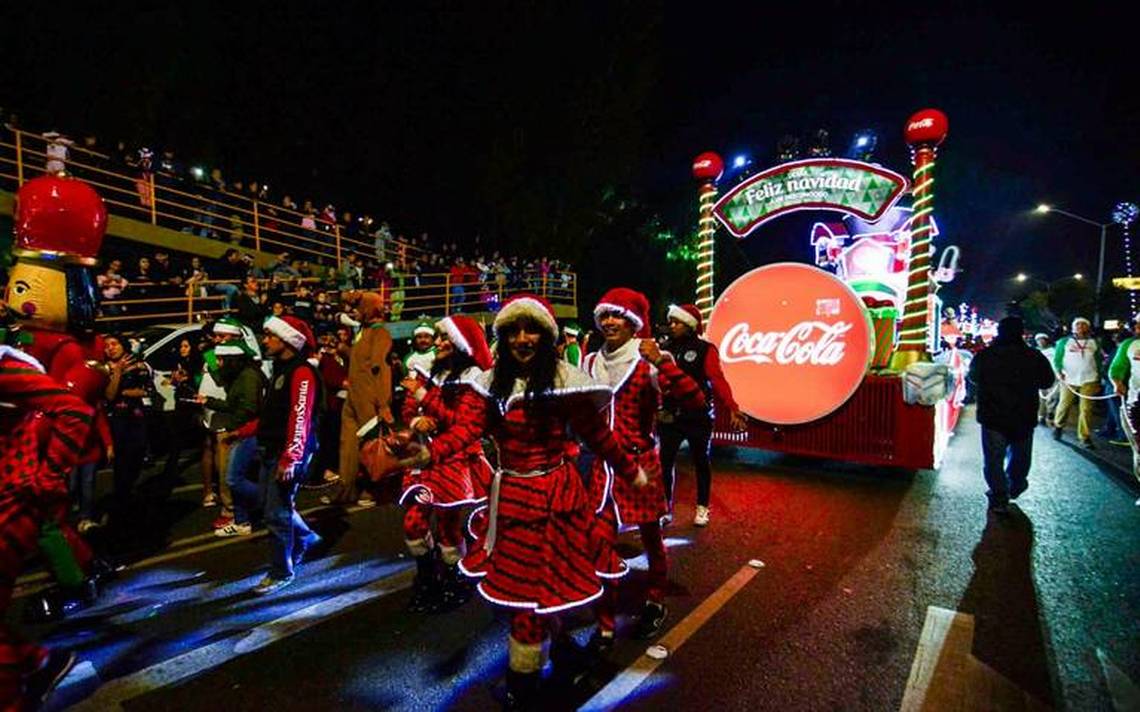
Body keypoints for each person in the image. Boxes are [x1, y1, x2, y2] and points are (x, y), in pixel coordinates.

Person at [410, 294, 646, 706]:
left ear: (547, 335)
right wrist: (431, 452)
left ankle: (527, 683)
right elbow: (465, 430)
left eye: (531, 329)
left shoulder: (564, 380)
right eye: (513, 331)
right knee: (523, 596)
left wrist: (631, 471)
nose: (522, 338)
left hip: (557, 500)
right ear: (501, 337)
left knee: (537, 597)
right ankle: (551, 661)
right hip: (513, 500)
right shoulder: (487, 383)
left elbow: (597, 435)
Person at [582, 288, 705, 648]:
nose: (609, 322)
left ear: (633, 322)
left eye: (617, 315)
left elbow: (695, 400)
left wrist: (663, 362)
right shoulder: (590, 361)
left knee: (651, 535)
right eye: (604, 315)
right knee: (599, 541)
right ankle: (604, 623)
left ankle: (655, 598)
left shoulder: (649, 357)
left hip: (642, 463)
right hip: (603, 468)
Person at [0, 344, 95, 709]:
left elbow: (76, 411)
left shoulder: (7, 366)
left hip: (13, 505)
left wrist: (49, 473)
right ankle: (37, 661)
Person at [398, 315, 494, 612]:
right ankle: (427, 578)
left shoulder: (475, 378)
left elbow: (464, 425)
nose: (438, 343)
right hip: (425, 461)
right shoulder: (434, 374)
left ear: (460, 345)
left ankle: (454, 580)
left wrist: (425, 397)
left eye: (444, 339)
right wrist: (416, 417)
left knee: (449, 528)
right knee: (413, 521)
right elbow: (408, 406)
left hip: (455, 460)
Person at [253, 315, 323, 595]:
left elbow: (300, 416)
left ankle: (281, 571)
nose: (265, 340)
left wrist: (291, 456)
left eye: (271, 335)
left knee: (277, 512)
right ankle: (306, 537)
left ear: (288, 340)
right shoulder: (281, 370)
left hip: (287, 453)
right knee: (270, 505)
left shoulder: (301, 372)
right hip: (271, 449)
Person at [658, 304, 746, 527]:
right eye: (672, 322)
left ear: (689, 325)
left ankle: (702, 507)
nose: (672, 326)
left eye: (677, 322)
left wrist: (733, 408)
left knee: (701, 462)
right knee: (665, 462)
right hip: (671, 416)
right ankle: (665, 507)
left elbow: (717, 380)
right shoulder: (665, 348)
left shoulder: (705, 349)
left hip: (698, 416)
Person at [967, 317, 1055, 514]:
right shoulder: (1034, 356)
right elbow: (1047, 381)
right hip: (1023, 414)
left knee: (993, 458)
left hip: (992, 415)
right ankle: (1014, 485)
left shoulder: (986, 355)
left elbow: (973, 377)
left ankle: (999, 495)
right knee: (1020, 456)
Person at [330, 292, 393, 506]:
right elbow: (362, 362)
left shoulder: (380, 333)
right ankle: (347, 488)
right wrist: (344, 350)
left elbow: (380, 369)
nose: (354, 311)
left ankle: (372, 488)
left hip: (369, 397)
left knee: (371, 446)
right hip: (353, 397)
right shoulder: (363, 332)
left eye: (358, 307)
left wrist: (383, 402)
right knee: (347, 444)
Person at [196, 342, 265, 537]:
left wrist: (231, 428)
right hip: (239, 430)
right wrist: (209, 401)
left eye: (220, 359)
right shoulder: (238, 376)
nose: (218, 363)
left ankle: (269, 499)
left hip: (247, 432)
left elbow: (248, 409)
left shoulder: (249, 377)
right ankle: (242, 521)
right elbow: (232, 404)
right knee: (235, 477)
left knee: (234, 479)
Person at [1052, 317, 1102, 447]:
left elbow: (1099, 361)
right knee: (1064, 404)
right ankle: (1058, 426)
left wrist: (1100, 377)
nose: (1080, 327)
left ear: (1088, 327)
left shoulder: (1094, 342)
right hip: (1069, 379)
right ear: (1073, 328)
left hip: (1089, 379)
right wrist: (1059, 372)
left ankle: (1084, 436)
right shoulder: (1064, 342)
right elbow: (1057, 360)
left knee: (1086, 409)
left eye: (1083, 324)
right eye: (1077, 324)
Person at [1109, 315, 1140, 477]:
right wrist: (1117, 382)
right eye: (1137, 325)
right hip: (1136, 402)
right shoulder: (1129, 344)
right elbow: (1116, 368)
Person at [1034, 333, 1058, 427]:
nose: (1040, 342)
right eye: (1038, 340)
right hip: (1038, 377)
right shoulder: (1035, 351)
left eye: (1042, 339)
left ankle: (1050, 414)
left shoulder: (1053, 350)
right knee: (1040, 398)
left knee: (1052, 397)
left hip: (1053, 377)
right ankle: (1040, 416)